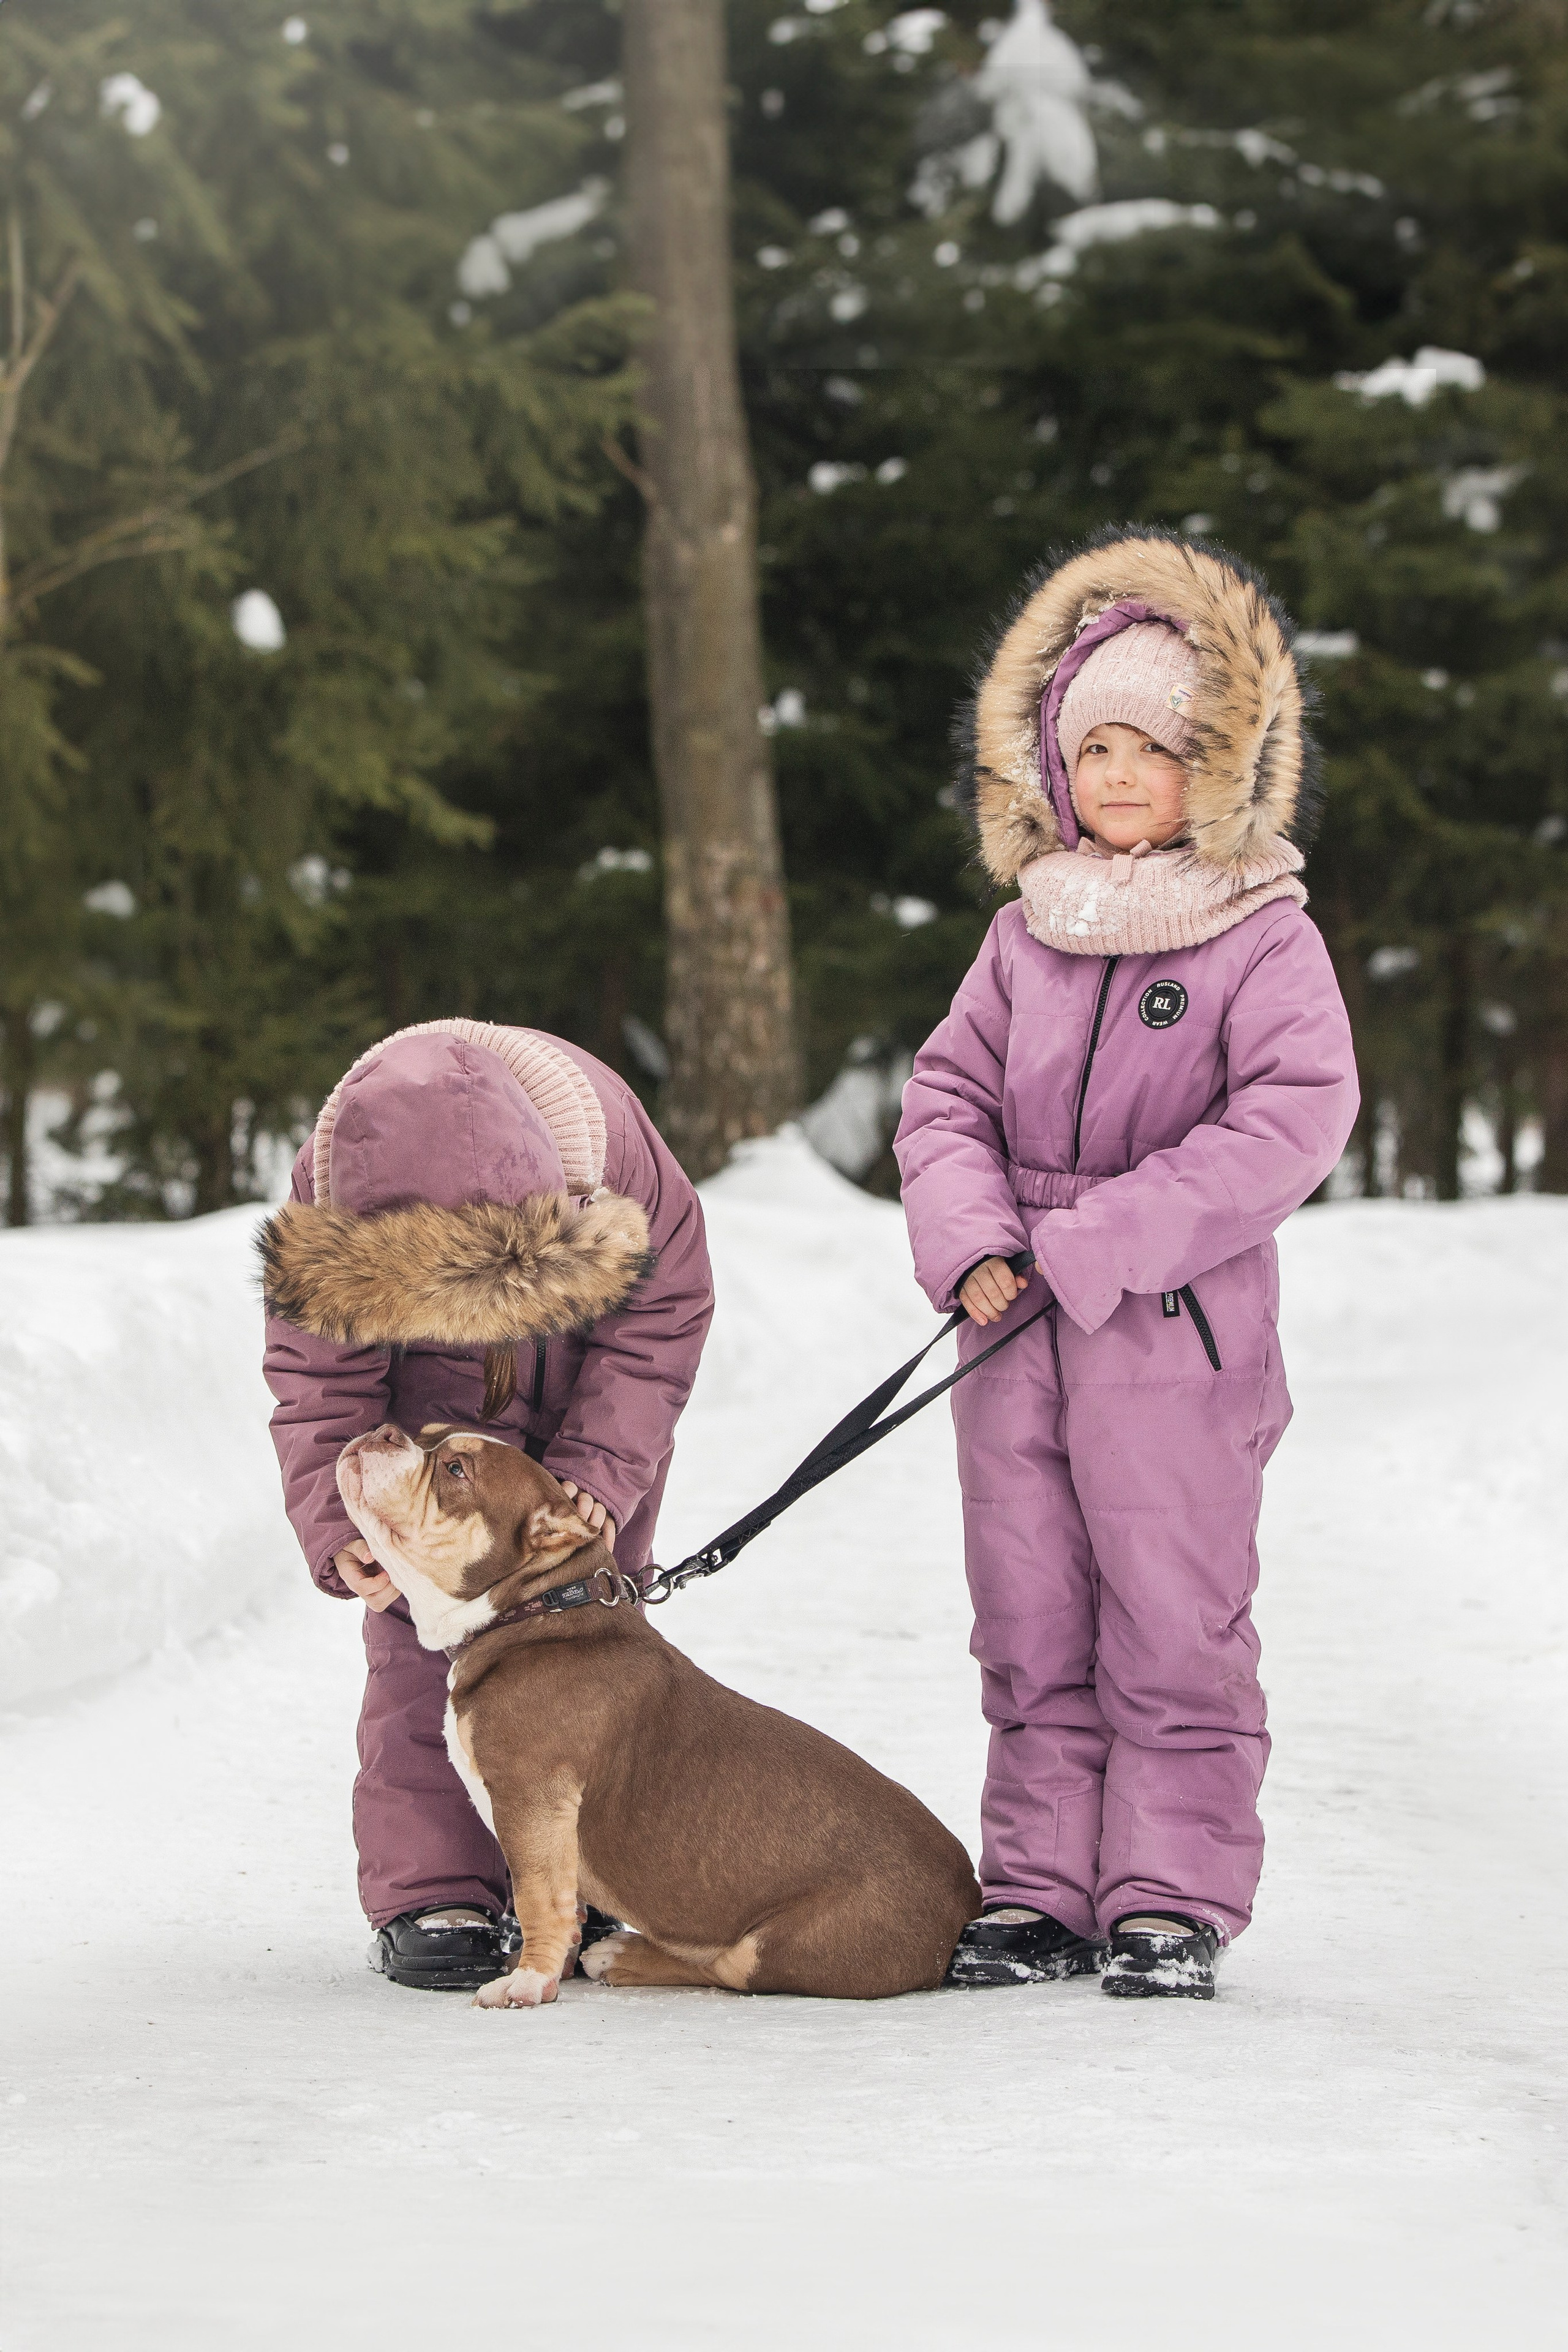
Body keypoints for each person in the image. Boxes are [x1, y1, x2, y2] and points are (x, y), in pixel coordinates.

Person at [895, 529, 1359, 1999]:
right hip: (1008, 1329)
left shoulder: (1257, 933)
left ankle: (1168, 1892)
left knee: (1170, 1615)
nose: (1109, 778)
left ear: (1210, 770)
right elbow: (943, 1098)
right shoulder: (1023, 936)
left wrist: (1094, 1239)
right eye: (1085, 746)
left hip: (1172, 1329)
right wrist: (971, 1236)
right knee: (1029, 1615)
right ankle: (1036, 1886)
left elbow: (1292, 1117)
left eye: (1145, 750)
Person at [261, 1020, 713, 1991]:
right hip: (429, 1436)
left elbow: (663, 1318)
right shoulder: (336, 1196)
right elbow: (318, 1380)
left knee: (591, 1655)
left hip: (589, 1419)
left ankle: (584, 1878)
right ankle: (436, 1890)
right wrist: (347, 1529)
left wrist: (597, 1471)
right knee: (415, 1647)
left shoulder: (617, 1153)